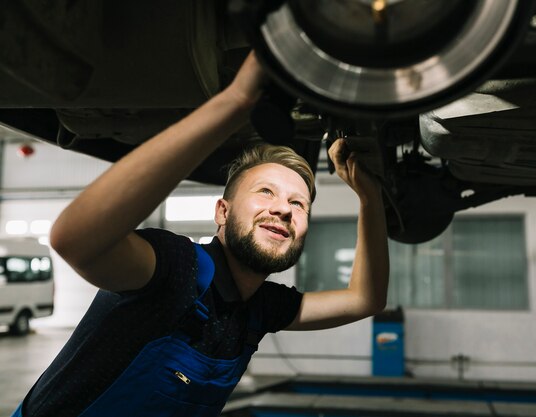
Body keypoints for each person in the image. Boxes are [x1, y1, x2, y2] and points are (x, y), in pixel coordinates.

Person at [12, 52, 389, 417]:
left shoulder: (260, 308)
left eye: (299, 204)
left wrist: (369, 199)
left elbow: (365, 299)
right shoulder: (176, 271)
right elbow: (73, 240)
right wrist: (235, 103)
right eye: (265, 192)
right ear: (221, 212)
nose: (284, 209)